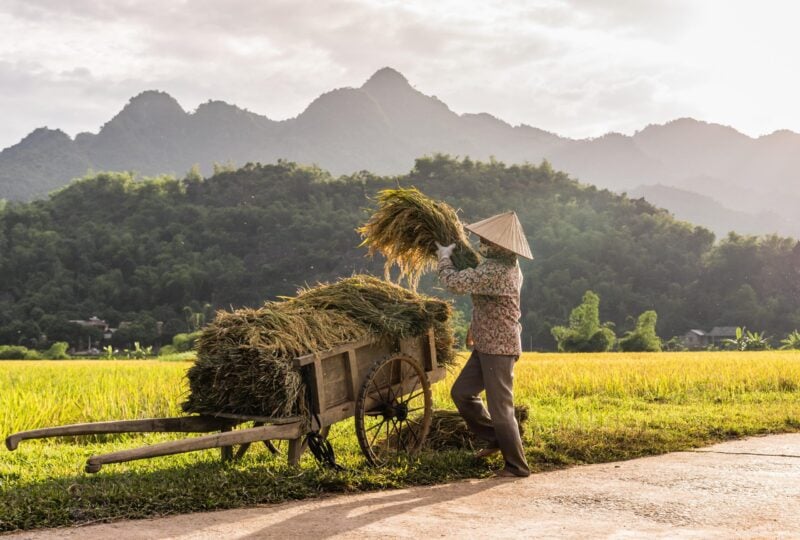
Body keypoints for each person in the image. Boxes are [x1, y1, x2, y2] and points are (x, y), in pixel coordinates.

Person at [435, 211, 532, 478]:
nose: (481, 244)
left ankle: (516, 466)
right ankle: (496, 438)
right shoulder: (505, 265)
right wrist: (473, 327)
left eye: (486, 241)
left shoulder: (496, 270)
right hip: (487, 342)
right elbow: (492, 303)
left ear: (500, 245)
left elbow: (455, 283)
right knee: (462, 393)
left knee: (501, 407)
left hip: (499, 348)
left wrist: (444, 257)